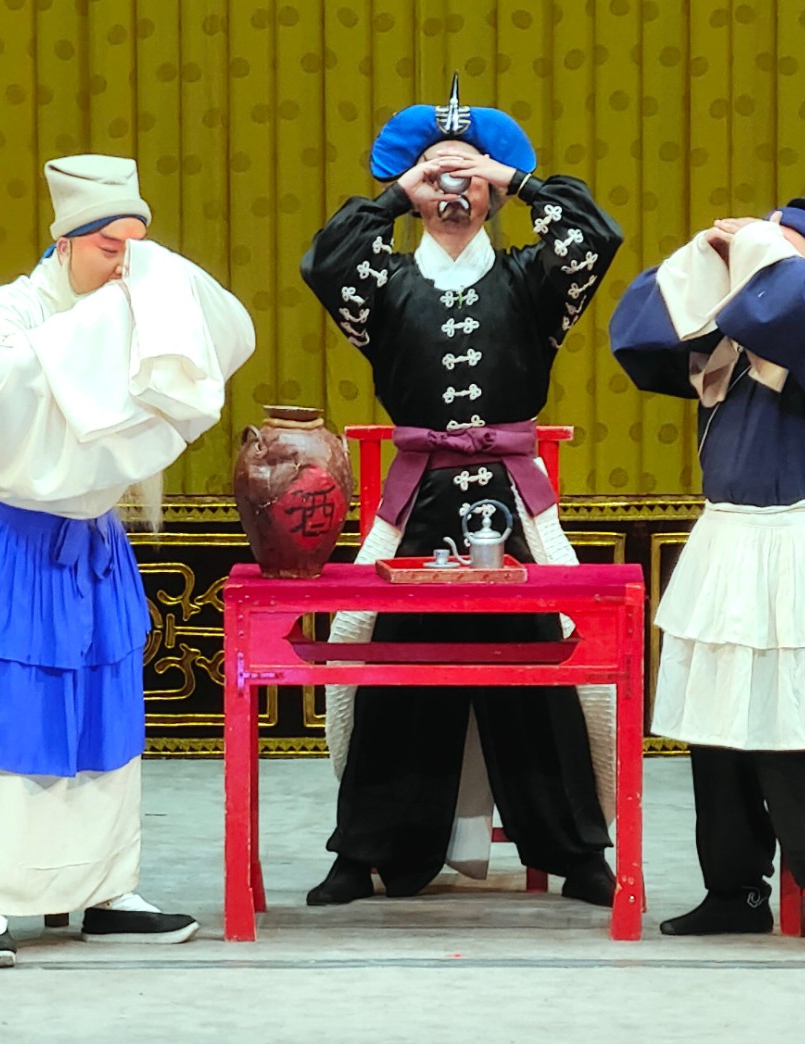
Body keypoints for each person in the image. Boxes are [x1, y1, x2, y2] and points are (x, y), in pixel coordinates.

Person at [0, 154, 256, 967]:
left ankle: (106, 889)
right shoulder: (7, 314)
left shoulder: (131, 307)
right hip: (5, 543)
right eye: (108, 246)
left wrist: (143, 300)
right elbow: (4, 402)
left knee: (103, 717)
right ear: (63, 241)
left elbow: (214, 329)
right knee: (0, 716)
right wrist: (107, 328)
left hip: (88, 544)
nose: (125, 263)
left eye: (137, 246)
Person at [299, 78, 623, 907]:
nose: (452, 185)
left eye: (470, 173)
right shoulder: (382, 284)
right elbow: (324, 259)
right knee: (387, 673)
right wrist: (393, 198)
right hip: (417, 505)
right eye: (436, 172)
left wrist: (516, 177)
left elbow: (595, 235)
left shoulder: (533, 282)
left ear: (493, 191)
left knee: (545, 670)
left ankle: (577, 850)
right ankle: (365, 852)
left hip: (514, 504)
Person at [608, 198, 805, 961]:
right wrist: (706, 253)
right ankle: (735, 889)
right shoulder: (729, 348)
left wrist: (762, 245)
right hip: (729, 540)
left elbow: (796, 306)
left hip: (798, 544)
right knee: (720, 729)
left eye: (777, 252)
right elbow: (639, 330)